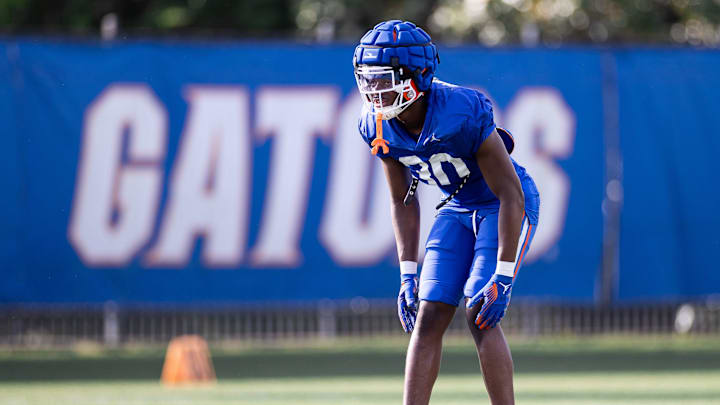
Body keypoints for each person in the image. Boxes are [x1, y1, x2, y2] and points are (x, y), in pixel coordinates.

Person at [353, 20, 540, 405]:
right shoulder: (376, 126)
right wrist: (407, 273)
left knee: (480, 310)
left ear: (417, 75)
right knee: (429, 313)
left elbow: (510, 193)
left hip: (501, 204)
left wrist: (503, 277)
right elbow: (402, 199)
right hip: (457, 207)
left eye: (383, 79)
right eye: (367, 79)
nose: (374, 91)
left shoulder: (461, 109)